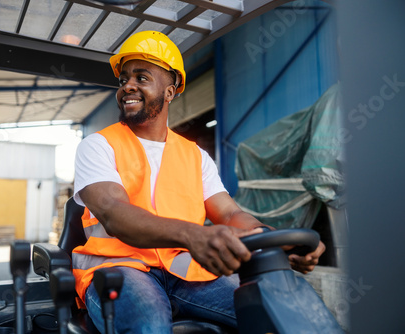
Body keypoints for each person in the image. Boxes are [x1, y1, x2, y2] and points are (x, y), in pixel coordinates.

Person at [72, 30, 326, 333]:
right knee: (148, 323)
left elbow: (230, 214)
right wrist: (193, 235)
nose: (128, 86)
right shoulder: (98, 145)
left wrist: (279, 240)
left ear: (171, 90)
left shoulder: (195, 155)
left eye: (141, 78)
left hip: (182, 271)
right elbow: (114, 213)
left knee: (276, 309)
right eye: (124, 79)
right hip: (117, 268)